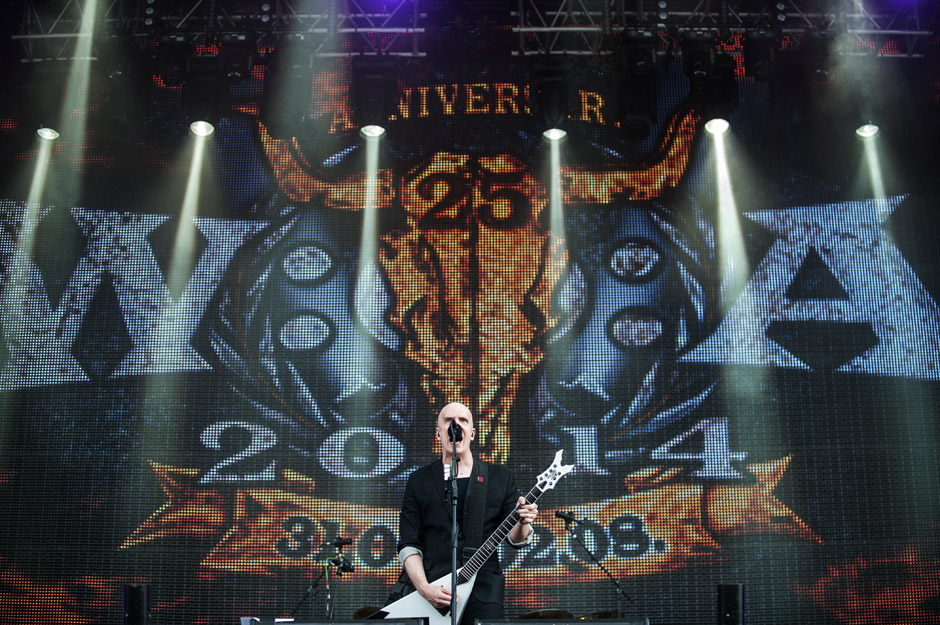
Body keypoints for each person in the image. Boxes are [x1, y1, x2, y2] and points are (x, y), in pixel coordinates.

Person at [394, 402, 539, 624]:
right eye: (449, 421)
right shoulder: (418, 480)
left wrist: (524, 522)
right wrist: (424, 588)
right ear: (438, 433)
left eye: (463, 420)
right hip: (434, 587)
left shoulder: (501, 477)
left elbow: (515, 538)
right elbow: (409, 543)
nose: (456, 425)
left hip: (483, 589)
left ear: (472, 433)